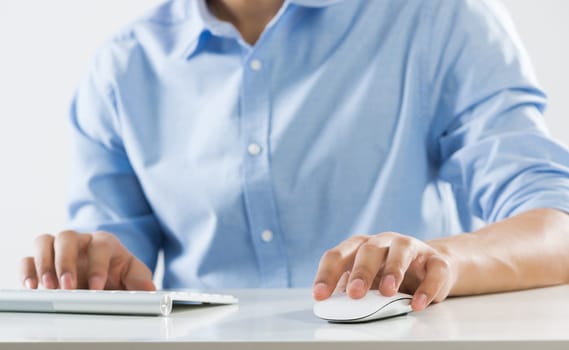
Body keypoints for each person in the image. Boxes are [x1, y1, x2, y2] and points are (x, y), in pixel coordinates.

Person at [20, 0, 569, 312]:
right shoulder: (122, 67)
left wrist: (437, 261)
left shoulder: (439, 18)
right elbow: (112, 272)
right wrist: (89, 270)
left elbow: (556, 228)